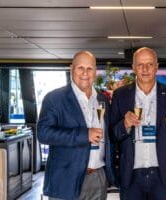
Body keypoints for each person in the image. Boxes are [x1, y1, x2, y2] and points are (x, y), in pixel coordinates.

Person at [110, 47, 166, 200]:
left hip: (163, 174)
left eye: (150, 64)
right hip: (130, 175)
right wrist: (125, 124)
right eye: (140, 64)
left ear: (157, 66)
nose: (145, 69)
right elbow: (112, 136)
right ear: (133, 67)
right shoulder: (120, 95)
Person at [37, 51, 115, 200]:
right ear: (71, 68)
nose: (85, 73)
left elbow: (109, 134)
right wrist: (84, 135)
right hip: (66, 179)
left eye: (89, 68)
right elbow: (43, 133)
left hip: (98, 177)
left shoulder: (102, 99)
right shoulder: (54, 98)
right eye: (80, 68)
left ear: (95, 71)